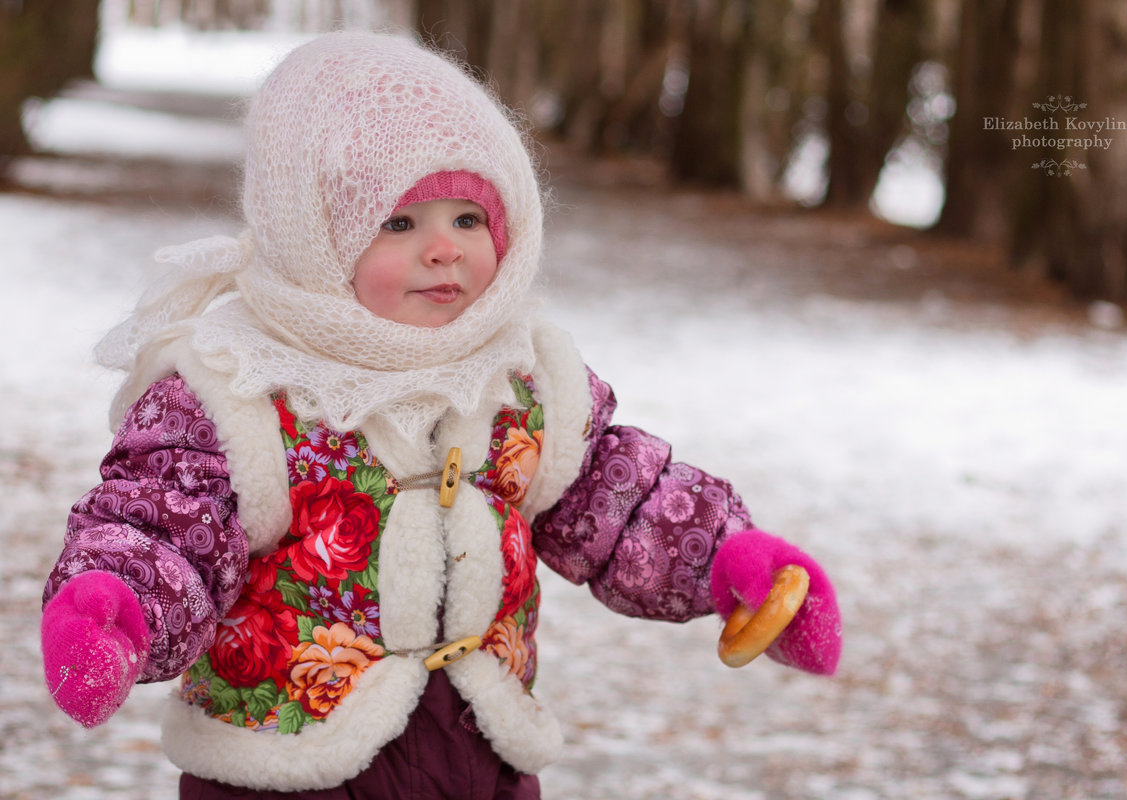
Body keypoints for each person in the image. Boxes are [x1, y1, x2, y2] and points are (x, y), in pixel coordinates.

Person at [39, 31, 842, 800]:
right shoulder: (242, 384)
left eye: (467, 219)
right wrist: (116, 608)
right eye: (399, 224)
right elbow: (166, 522)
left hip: (479, 757)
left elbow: (619, 499)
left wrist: (730, 561)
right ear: (313, 236)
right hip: (282, 769)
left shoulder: (522, 377)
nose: (444, 249)